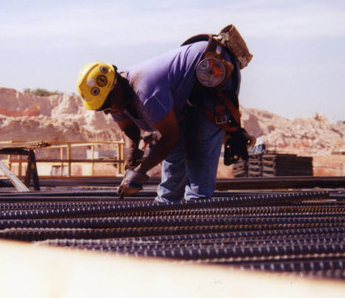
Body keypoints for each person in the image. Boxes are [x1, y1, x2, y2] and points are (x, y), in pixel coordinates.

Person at [77, 25, 253, 202]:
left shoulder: (146, 91)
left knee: (197, 147)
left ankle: (198, 208)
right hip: (187, 95)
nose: (108, 112)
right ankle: (167, 204)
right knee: (175, 152)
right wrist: (131, 152)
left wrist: (140, 171)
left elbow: (170, 137)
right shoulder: (116, 100)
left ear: (116, 89)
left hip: (212, 70)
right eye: (102, 109)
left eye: (107, 105)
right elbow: (129, 129)